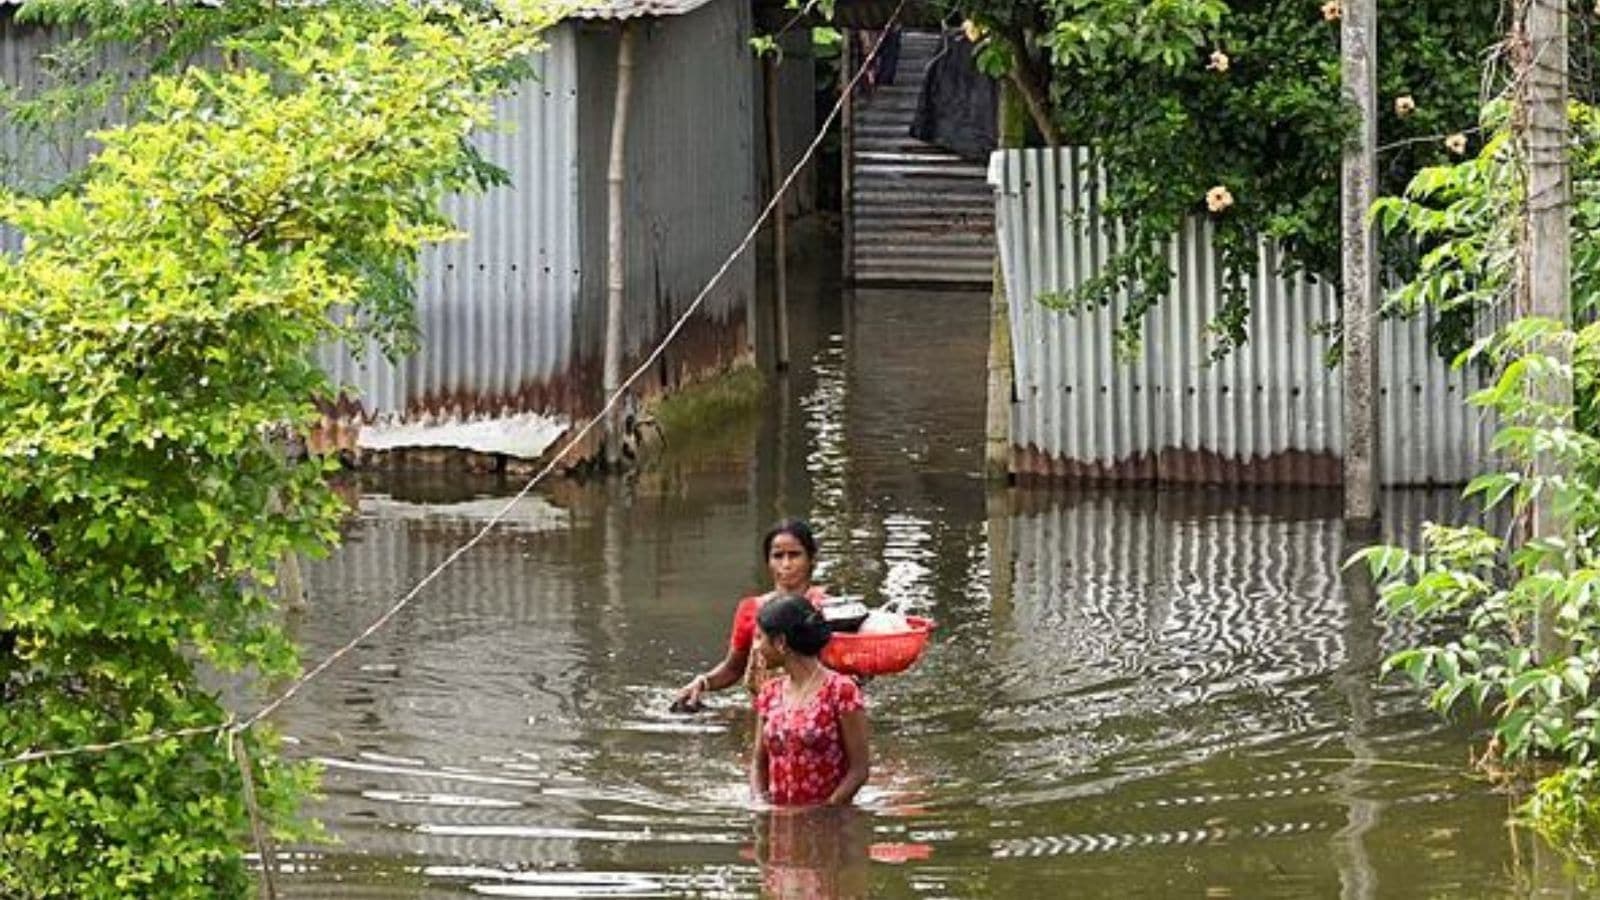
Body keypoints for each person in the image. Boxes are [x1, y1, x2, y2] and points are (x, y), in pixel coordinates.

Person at [675, 519, 828, 708]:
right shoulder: (751, 609)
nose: (786, 564)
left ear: (811, 559)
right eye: (778, 556)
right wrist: (703, 682)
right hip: (763, 713)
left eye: (795, 555)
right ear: (768, 562)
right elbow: (733, 668)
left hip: (815, 713)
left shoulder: (827, 609)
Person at [749, 595, 869, 807]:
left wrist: (824, 812)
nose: (757, 647)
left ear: (780, 643)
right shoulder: (769, 693)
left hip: (830, 823)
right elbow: (759, 763)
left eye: (761, 638)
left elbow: (859, 770)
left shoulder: (841, 690)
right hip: (780, 821)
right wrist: (761, 806)